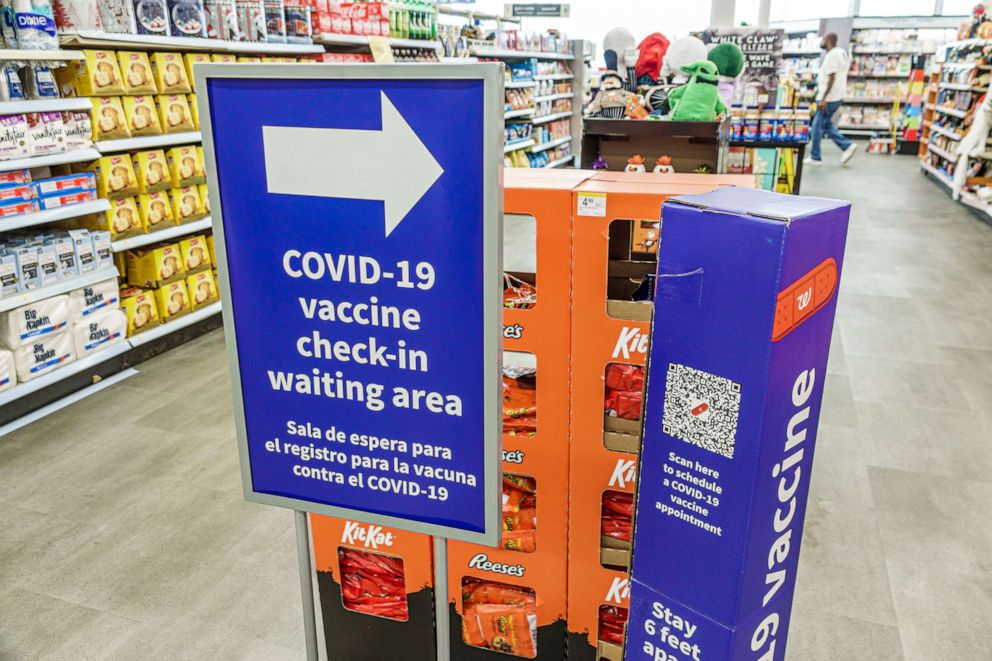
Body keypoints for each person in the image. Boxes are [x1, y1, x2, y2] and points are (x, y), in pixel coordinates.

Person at [806, 32, 857, 166]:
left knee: (817, 125)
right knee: (826, 124)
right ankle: (847, 146)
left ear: (829, 41)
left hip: (829, 98)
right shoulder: (841, 53)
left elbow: (832, 77)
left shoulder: (833, 55)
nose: (821, 42)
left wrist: (823, 98)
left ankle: (815, 157)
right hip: (835, 96)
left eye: (823, 39)